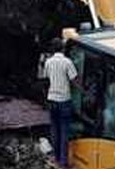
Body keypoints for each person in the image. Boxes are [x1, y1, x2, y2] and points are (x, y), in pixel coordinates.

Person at [42, 38, 78, 168]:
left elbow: (45, 81)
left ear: (52, 49)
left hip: (52, 100)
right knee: (64, 131)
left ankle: (56, 158)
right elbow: (74, 80)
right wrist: (83, 91)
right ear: (63, 48)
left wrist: (46, 98)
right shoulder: (67, 62)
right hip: (64, 101)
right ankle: (63, 162)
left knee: (54, 130)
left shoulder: (48, 62)